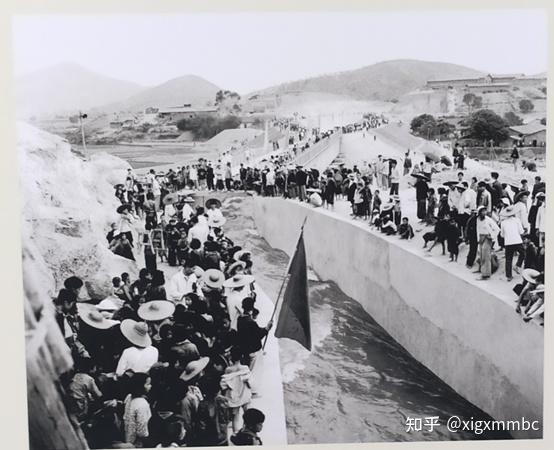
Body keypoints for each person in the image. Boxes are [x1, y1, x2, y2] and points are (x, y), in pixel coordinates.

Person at [220, 347, 252, 433]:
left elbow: (224, 384)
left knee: (235, 417)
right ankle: (247, 431)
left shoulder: (228, 370)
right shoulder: (245, 368)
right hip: (244, 394)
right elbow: (250, 382)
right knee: (247, 414)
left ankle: (236, 433)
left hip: (233, 396)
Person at [123, 373, 152, 447]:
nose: (150, 386)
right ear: (140, 386)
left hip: (127, 438)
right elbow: (142, 431)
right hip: (138, 443)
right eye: (148, 384)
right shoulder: (142, 404)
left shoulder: (129, 397)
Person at [500, 206, 525, 281]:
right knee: (523, 253)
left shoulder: (503, 222)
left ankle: (509, 276)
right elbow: (521, 231)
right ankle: (517, 265)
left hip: (508, 242)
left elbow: (502, 235)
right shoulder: (517, 220)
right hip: (517, 241)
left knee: (508, 258)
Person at [476, 205, 500, 280]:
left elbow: (497, 229)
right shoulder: (478, 219)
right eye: (482, 211)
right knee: (481, 255)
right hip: (481, 238)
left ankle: (486, 274)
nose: (484, 213)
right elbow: (478, 230)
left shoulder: (488, 219)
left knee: (486, 256)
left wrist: (492, 236)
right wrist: (478, 239)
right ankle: (482, 271)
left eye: (485, 211)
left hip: (487, 238)